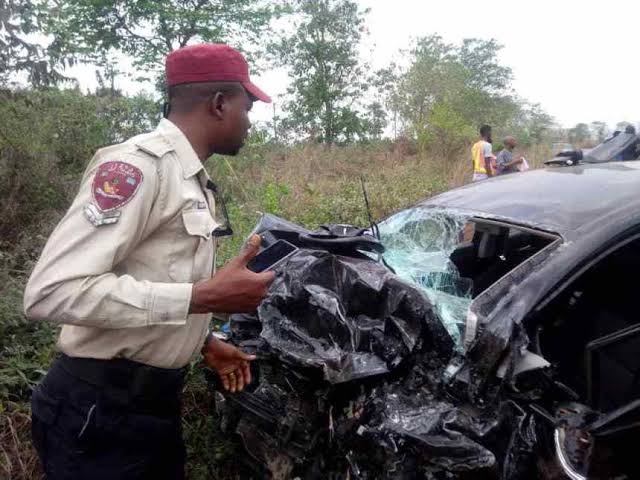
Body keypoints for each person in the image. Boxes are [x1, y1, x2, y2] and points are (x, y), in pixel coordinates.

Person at [23, 43, 276, 479]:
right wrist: (201, 298)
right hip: (98, 414)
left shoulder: (190, 179)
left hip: (149, 408)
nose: (249, 121)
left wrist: (202, 342)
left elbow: (153, 274)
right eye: (246, 107)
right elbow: (51, 292)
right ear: (219, 104)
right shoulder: (137, 168)